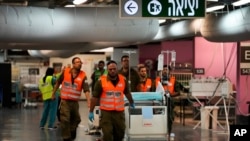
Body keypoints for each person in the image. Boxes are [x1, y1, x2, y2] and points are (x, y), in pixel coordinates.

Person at [89, 60, 135, 141]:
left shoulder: (123, 79)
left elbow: (127, 92)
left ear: (117, 69)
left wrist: (131, 102)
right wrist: (91, 111)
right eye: (110, 69)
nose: (112, 71)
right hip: (106, 113)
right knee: (107, 135)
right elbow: (95, 97)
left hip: (119, 113)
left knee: (120, 134)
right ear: (107, 70)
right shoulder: (101, 81)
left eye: (114, 69)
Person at [51, 57, 91, 141]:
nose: (79, 64)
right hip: (65, 101)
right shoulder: (65, 72)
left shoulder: (83, 75)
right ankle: (66, 138)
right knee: (65, 120)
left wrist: (88, 102)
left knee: (76, 119)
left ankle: (72, 132)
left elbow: (86, 90)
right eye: (77, 62)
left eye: (80, 62)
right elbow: (58, 82)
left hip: (75, 103)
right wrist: (53, 94)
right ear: (73, 64)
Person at [154, 65, 185, 136]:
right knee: (158, 118)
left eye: (166, 69)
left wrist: (169, 95)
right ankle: (158, 133)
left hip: (169, 103)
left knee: (169, 118)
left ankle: (168, 132)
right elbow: (153, 91)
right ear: (161, 71)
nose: (165, 71)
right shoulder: (156, 80)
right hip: (158, 102)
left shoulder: (173, 80)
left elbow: (178, 92)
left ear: (169, 71)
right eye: (163, 70)